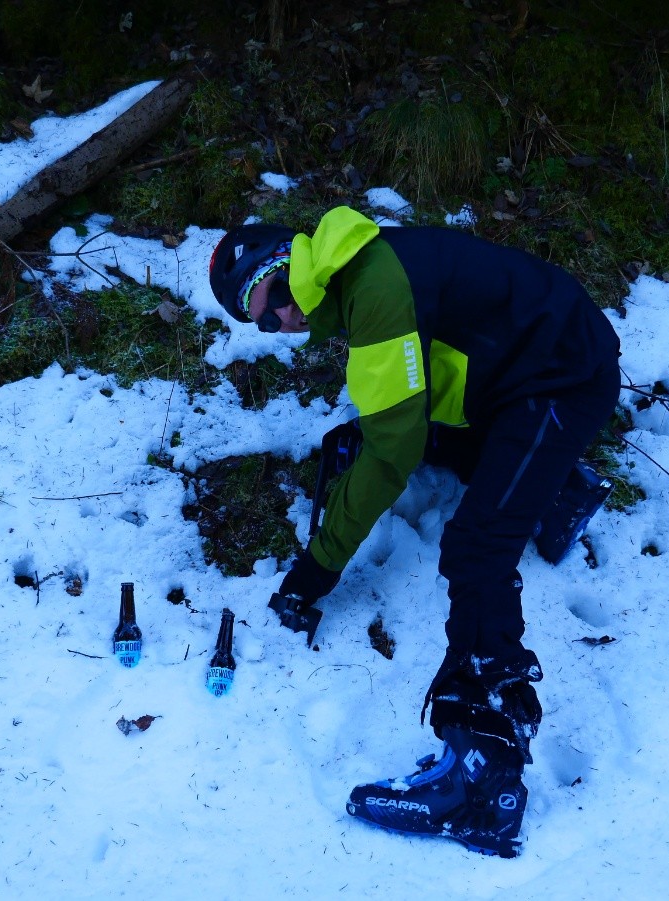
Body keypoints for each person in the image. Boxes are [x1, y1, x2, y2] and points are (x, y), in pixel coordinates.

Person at [208, 205, 620, 858]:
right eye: (264, 319)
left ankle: (484, 782)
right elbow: (405, 402)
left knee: (477, 547)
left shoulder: (373, 292)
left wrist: (314, 571)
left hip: (560, 377)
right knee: (414, 433)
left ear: (296, 259)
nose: (282, 319)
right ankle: (555, 489)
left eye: (278, 294)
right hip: (520, 369)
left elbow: (390, 455)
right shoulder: (358, 271)